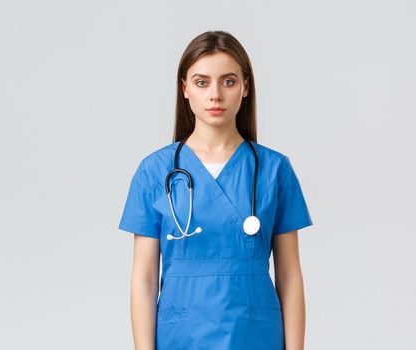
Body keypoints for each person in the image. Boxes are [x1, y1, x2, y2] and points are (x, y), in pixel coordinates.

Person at [119, 30, 313, 350]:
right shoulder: (155, 171)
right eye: (201, 82)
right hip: (181, 335)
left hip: (254, 334)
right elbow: (144, 279)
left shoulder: (274, 170)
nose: (215, 95)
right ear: (184, 89)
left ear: (245, 87)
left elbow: (290, 275)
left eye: (228, 81)